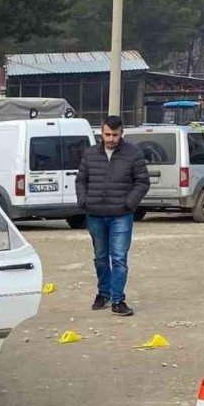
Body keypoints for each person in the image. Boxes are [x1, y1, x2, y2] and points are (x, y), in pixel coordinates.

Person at [75, 115, 150, 317]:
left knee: (118, 258)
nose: (110, 139)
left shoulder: (133, 154)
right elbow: (81, 180)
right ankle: (103, 294)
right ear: (101, 132)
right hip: (95, 214)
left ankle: (118, 300)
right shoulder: (90, 154)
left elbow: (142, 182)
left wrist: (129, 203)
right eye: (107, 134)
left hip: (121, 215)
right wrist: (84, 201)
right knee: (100, 257)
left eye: (114, 135)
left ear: (121, 134)